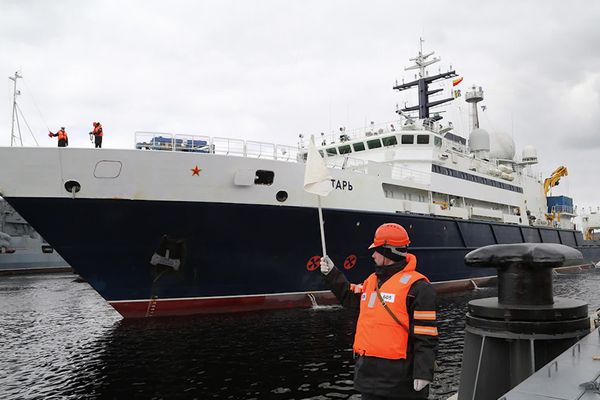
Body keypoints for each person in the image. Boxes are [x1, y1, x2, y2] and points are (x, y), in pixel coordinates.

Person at [320, 223, 438, 400]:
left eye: (377, 250)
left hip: (400, 383)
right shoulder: (371, 281)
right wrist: (332, 274)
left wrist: (423, 372)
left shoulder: (419, 288)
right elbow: (350, 297)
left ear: (388, 252)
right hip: (369, 378)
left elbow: (426, 335)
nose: (373, 255)